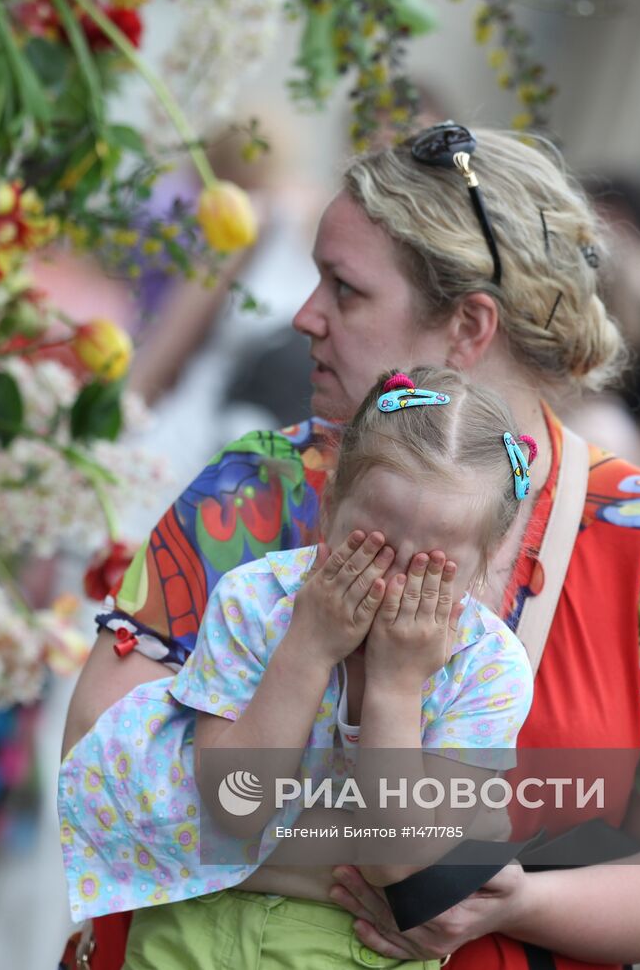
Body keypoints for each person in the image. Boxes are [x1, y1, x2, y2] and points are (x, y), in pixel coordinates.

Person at [62, 122, 640, 969]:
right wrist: (422, 865)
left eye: (345, 289)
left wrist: (519, 900)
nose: (304, 314)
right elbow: (95, 759)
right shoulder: (256, 489)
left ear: (469, 326)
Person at [60, 368, 538, 965]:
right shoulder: (256, 602)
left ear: (484, 563)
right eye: (370, 549)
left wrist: (395, 685)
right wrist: (306, 648)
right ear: (330, 501)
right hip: (190, 936)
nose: (387, 586)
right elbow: (235, 807)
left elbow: (398, 862)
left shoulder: (488, 670)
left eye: (426, 571)